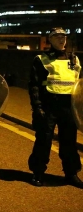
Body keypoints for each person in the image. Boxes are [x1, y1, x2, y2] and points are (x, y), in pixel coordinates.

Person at [28, 27, 83, 188]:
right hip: (49, 105)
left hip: (69, 107)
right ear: (50, 40)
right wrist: (37, 107)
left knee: (69, 142)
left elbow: (79, 86)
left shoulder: (74, 59)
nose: (61, 40)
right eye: (57, 37)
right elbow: (34, 86)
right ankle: (37, 173)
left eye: (63, 37)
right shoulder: (41, 59)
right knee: (43, 141)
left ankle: (71, 173)